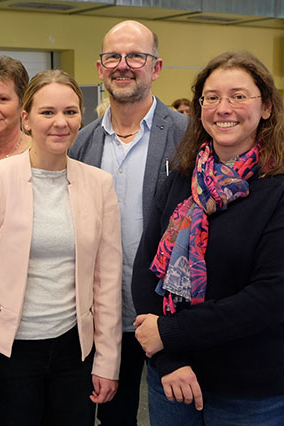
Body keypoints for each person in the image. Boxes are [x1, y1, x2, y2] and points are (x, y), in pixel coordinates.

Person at [132, 51, 284, 425]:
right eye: (212, 97)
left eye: (238, 96)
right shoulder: (182, 180)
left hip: (251, 391)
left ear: (265, 107)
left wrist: (168, 333)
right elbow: (145, 273)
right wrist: (169, 360)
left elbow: (271, 299)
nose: (223, 108)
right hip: (173, 380)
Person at [0, 69, 123, 425]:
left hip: (74, 350)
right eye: (47, 112)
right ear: (26, 119)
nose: (60, 123)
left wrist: (107, 361)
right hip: (10, 352)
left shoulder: (99, 184)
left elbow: (106, 281)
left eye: (70, 112)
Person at [67, 20, 188, 426]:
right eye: (113, 57)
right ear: (100, 69)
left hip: (162, 316)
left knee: (171, 413)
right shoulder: (82, 142)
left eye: (136, 56)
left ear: (155, 68)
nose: (124, 65)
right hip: (97, 316)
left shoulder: (187, 137)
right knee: (107, 417)